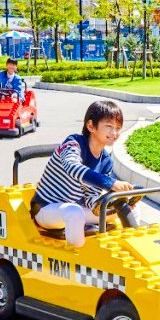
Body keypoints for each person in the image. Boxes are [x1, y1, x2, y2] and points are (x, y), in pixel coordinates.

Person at [32, 100, 138, 247]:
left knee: (130, 210)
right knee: (74, 212)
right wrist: (111, 183)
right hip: (46, 209)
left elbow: (90, 198)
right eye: (109, 126)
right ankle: (76, 256)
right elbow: (73, 168)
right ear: (91, 126)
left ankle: (134, 250)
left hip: (77, 208)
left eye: (118, 128)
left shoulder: (105, 161)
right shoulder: (73, 144)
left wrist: (116, 206)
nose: (114, 133)